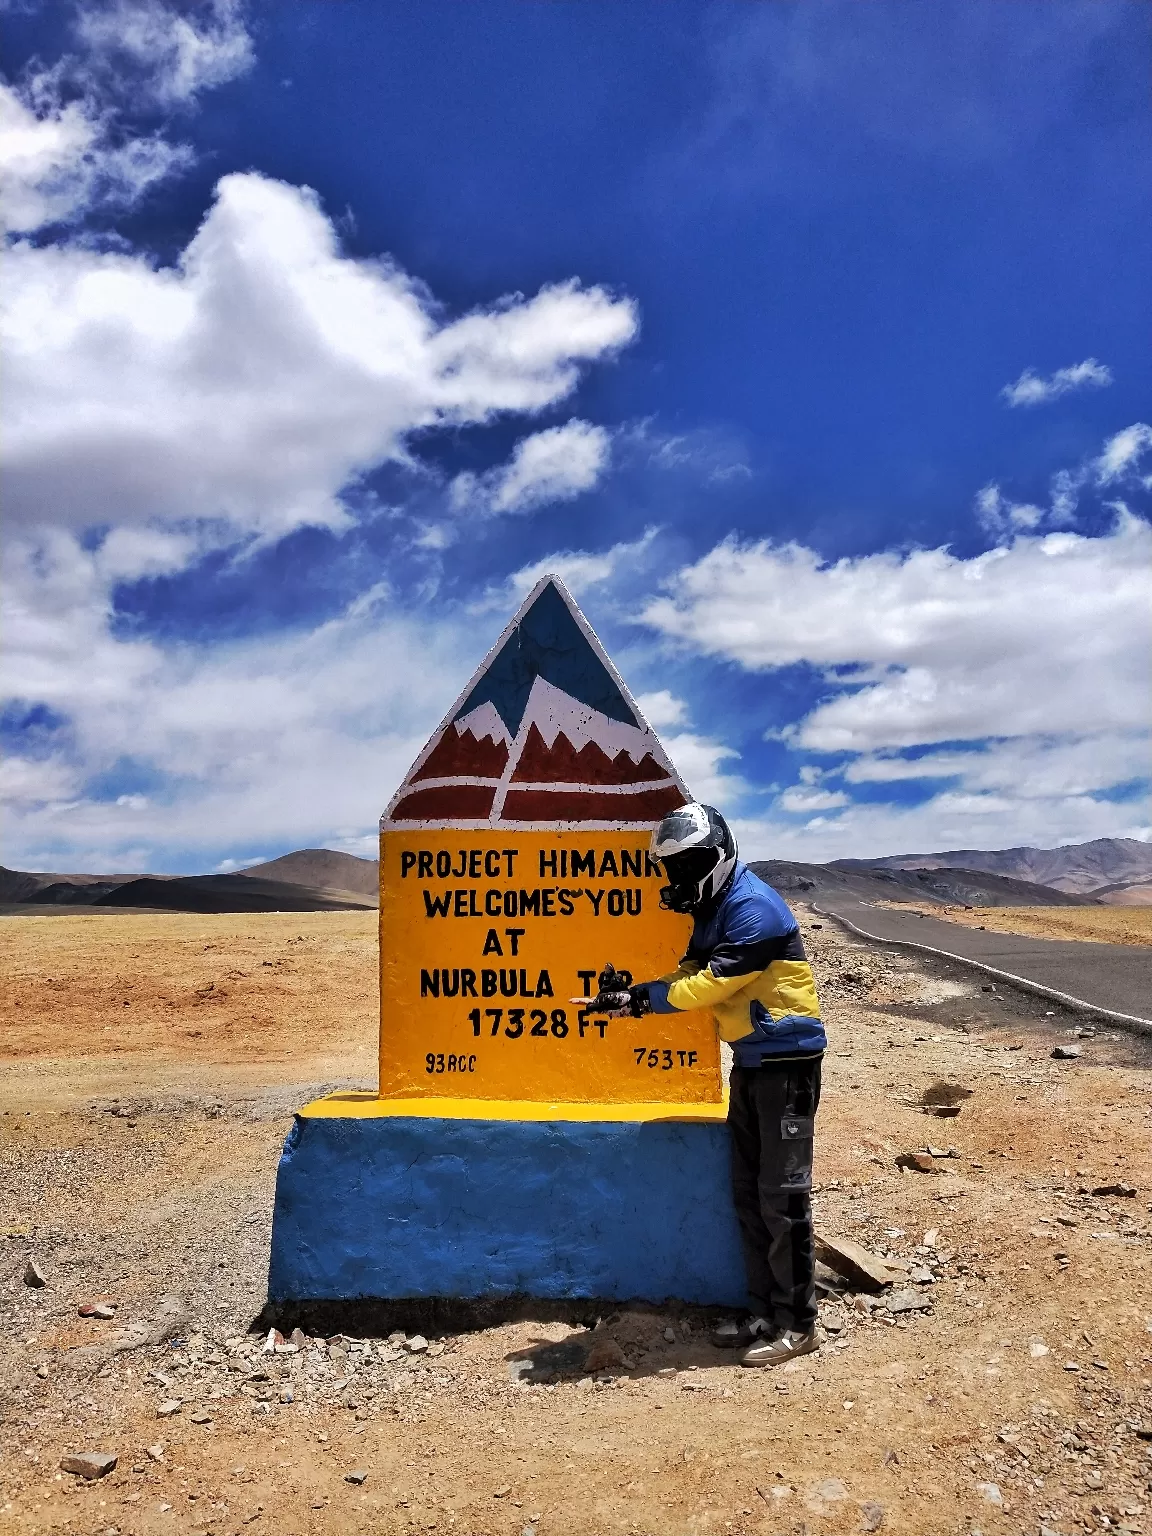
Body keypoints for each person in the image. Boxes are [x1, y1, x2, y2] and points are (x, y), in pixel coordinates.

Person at [588, 802, 826, 1368]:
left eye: (689, 862)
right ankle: (765, 1311)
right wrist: (632, 997)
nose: (679, 877)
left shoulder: (753, 909)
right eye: (671, 867)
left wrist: (642, 1001)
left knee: (782, 1196)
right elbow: (684, 975)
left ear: (717, 856)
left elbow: (711, 985)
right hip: (752, 1060)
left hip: (787, 1064)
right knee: (749, 1193)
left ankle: (799, 1323)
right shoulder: (714, 909)